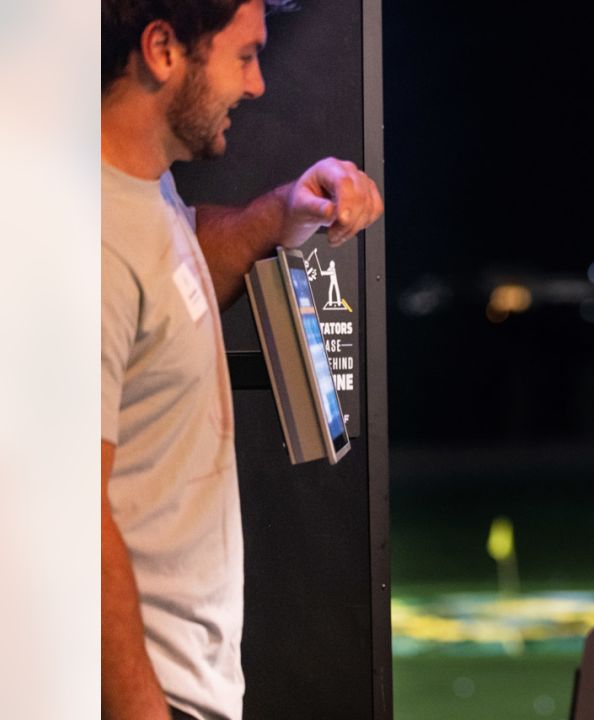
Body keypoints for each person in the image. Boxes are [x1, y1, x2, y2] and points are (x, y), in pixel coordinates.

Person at [100, 2, 384, 718]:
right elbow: (63, 516)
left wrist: (284, 209)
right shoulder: (87, 244)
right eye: (243, 57)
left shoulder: (142, 193)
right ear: (163, 50)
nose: (257, 85)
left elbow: (178, 262)